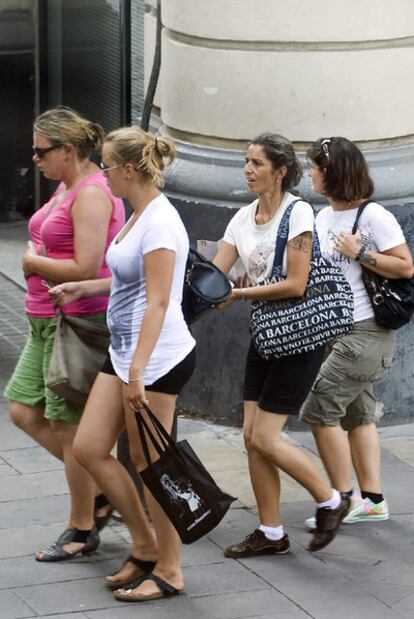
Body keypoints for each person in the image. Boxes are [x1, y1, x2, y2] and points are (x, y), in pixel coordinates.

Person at [49, 126, 196, 602]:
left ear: (129, 170)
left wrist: (137, 373)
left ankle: (170, 569)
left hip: (156, 359)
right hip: (126, 351)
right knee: (91, 447)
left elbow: (158, 302)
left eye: (108, 165)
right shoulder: (139, 215)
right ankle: (144, 545)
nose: (103, 174)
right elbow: (129, 282)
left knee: (152, 463)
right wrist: (85, 288)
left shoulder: (161, 224)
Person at [212, 132, 350, 557]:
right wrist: (205, 292)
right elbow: (215, 276)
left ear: (281, 170)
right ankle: (271, 533)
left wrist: (239, 295)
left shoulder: (299, 213)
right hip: (267, 336)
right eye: (246, 162)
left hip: (300, 338)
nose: (248, 170)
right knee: (251, 436)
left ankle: (331, 500)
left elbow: (296, 283)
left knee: (267, 437)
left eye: (257, 163)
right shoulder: (241, 218)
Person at [4, 106, 126, 560]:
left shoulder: (92, 194)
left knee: (66, 424)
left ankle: (81, 528)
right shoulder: (67, 185)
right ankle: (101, 489)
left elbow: (86, 267)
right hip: (43, 320)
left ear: (68, 151)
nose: (34, 159)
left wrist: (33, 261)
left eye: (41, 152)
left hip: (74, 322)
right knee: (23, 409)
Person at [300, 137, 414, 529]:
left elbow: (405, 268)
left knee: (318, 409)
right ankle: (373, 500)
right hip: (335, 330)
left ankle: (341, 500)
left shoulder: (374, 216)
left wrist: (361, 253)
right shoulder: (321, 216)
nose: (310, 172)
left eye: (315, 166)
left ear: (333, 172)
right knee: (358, 415)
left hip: (366, 333)